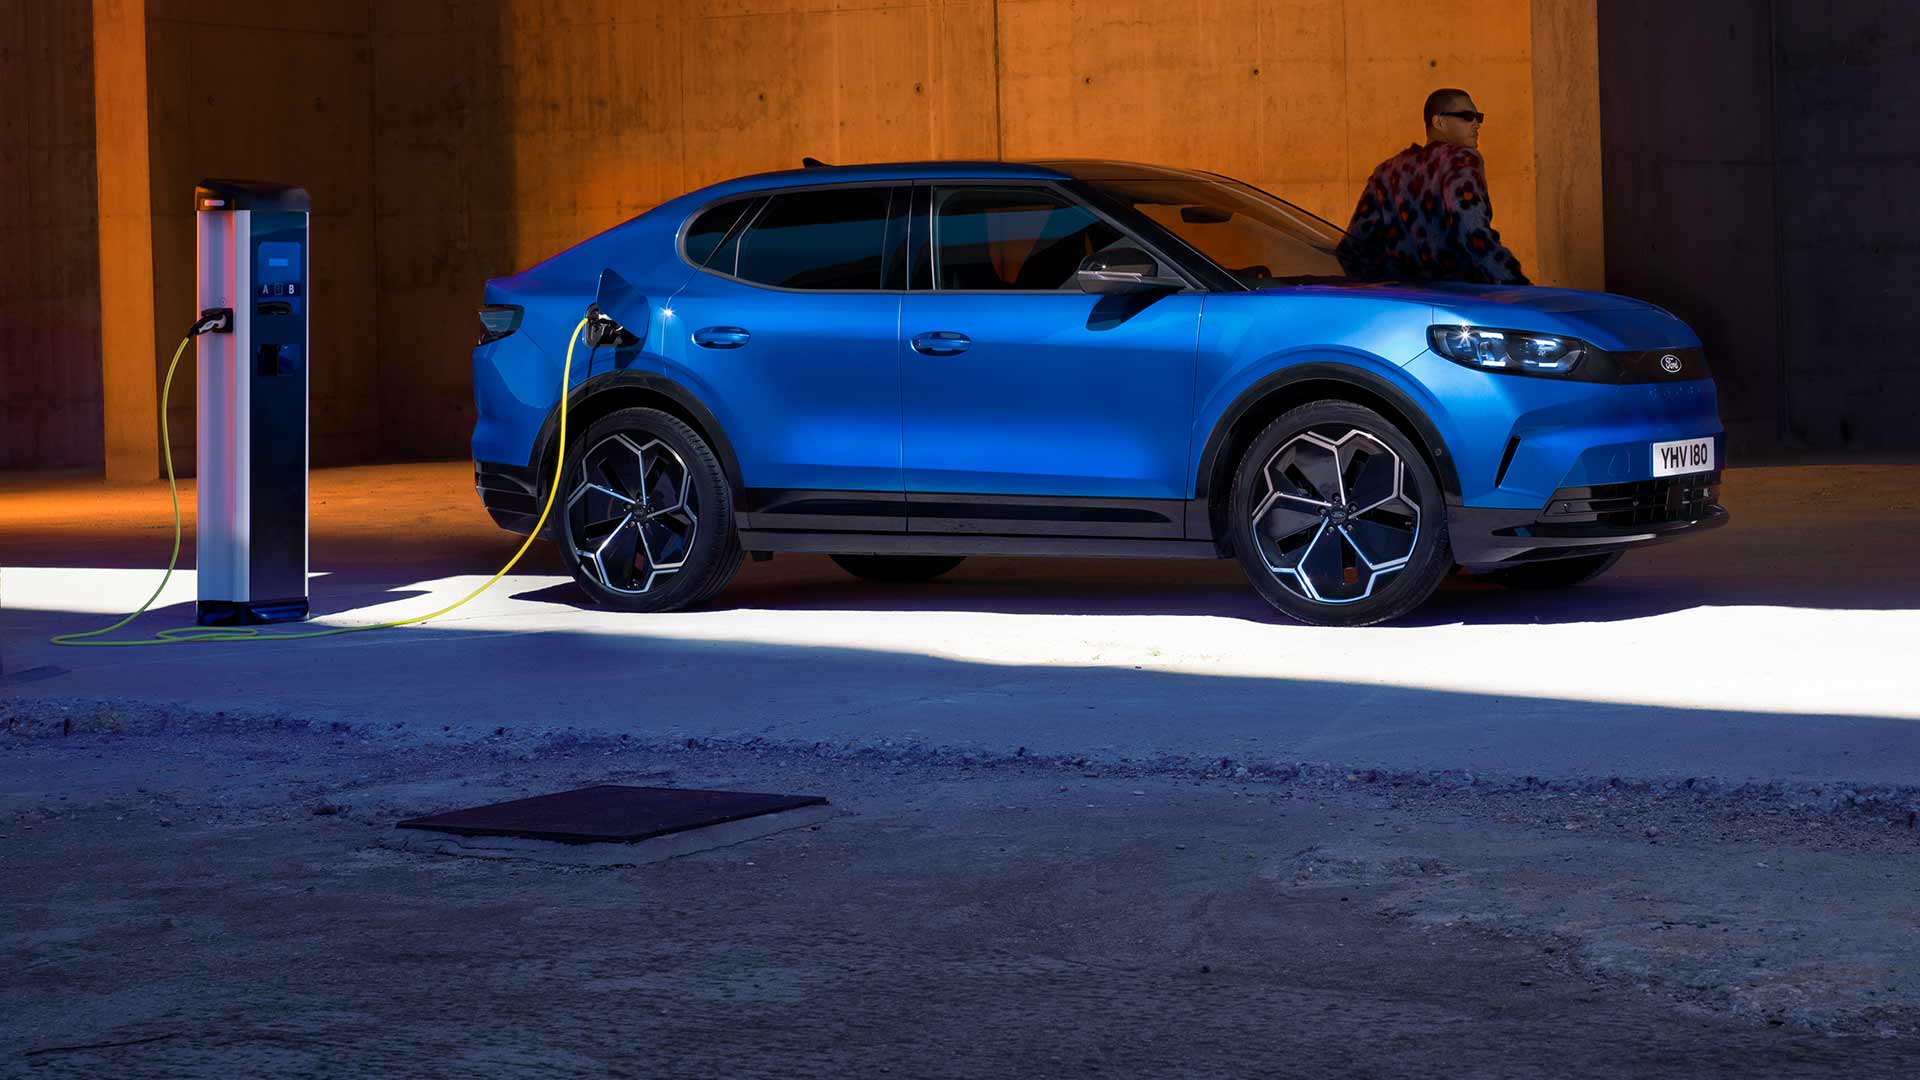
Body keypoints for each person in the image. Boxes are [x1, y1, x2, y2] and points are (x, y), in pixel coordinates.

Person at [1336, 88, 1529, 285]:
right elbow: (1473, 232)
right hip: (1461, 300)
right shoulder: (1460, 160)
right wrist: (1516, 280)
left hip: (1409, 304)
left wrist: (1389, 287)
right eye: (1467, 116)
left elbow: (1350, 249)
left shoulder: (1386, 173)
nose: (1476, 124)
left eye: (1478, 117)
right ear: (1438, 122)